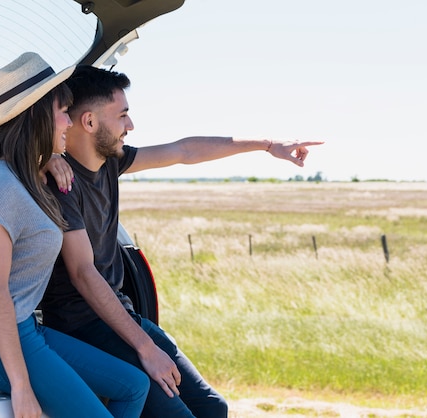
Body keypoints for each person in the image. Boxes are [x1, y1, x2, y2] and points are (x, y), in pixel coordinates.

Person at [41, 65, 323, 418]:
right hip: (84, 328)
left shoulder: (110, 162)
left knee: (212, 408)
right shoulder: (61, 182)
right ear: (89, 122)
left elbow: (184, 150)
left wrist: (266, 146)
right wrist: (146, 349)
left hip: (121, 316)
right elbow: (83, 272)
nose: (131, 126)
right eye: (123, 115)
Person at [0, 53, 149, 418]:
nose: (68, 121)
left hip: (24, 326)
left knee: (134, 385)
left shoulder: (26, 176)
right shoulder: (2, 187)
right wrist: (22, 386)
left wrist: (46, 159)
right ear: (38, 116)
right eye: (62, 111)